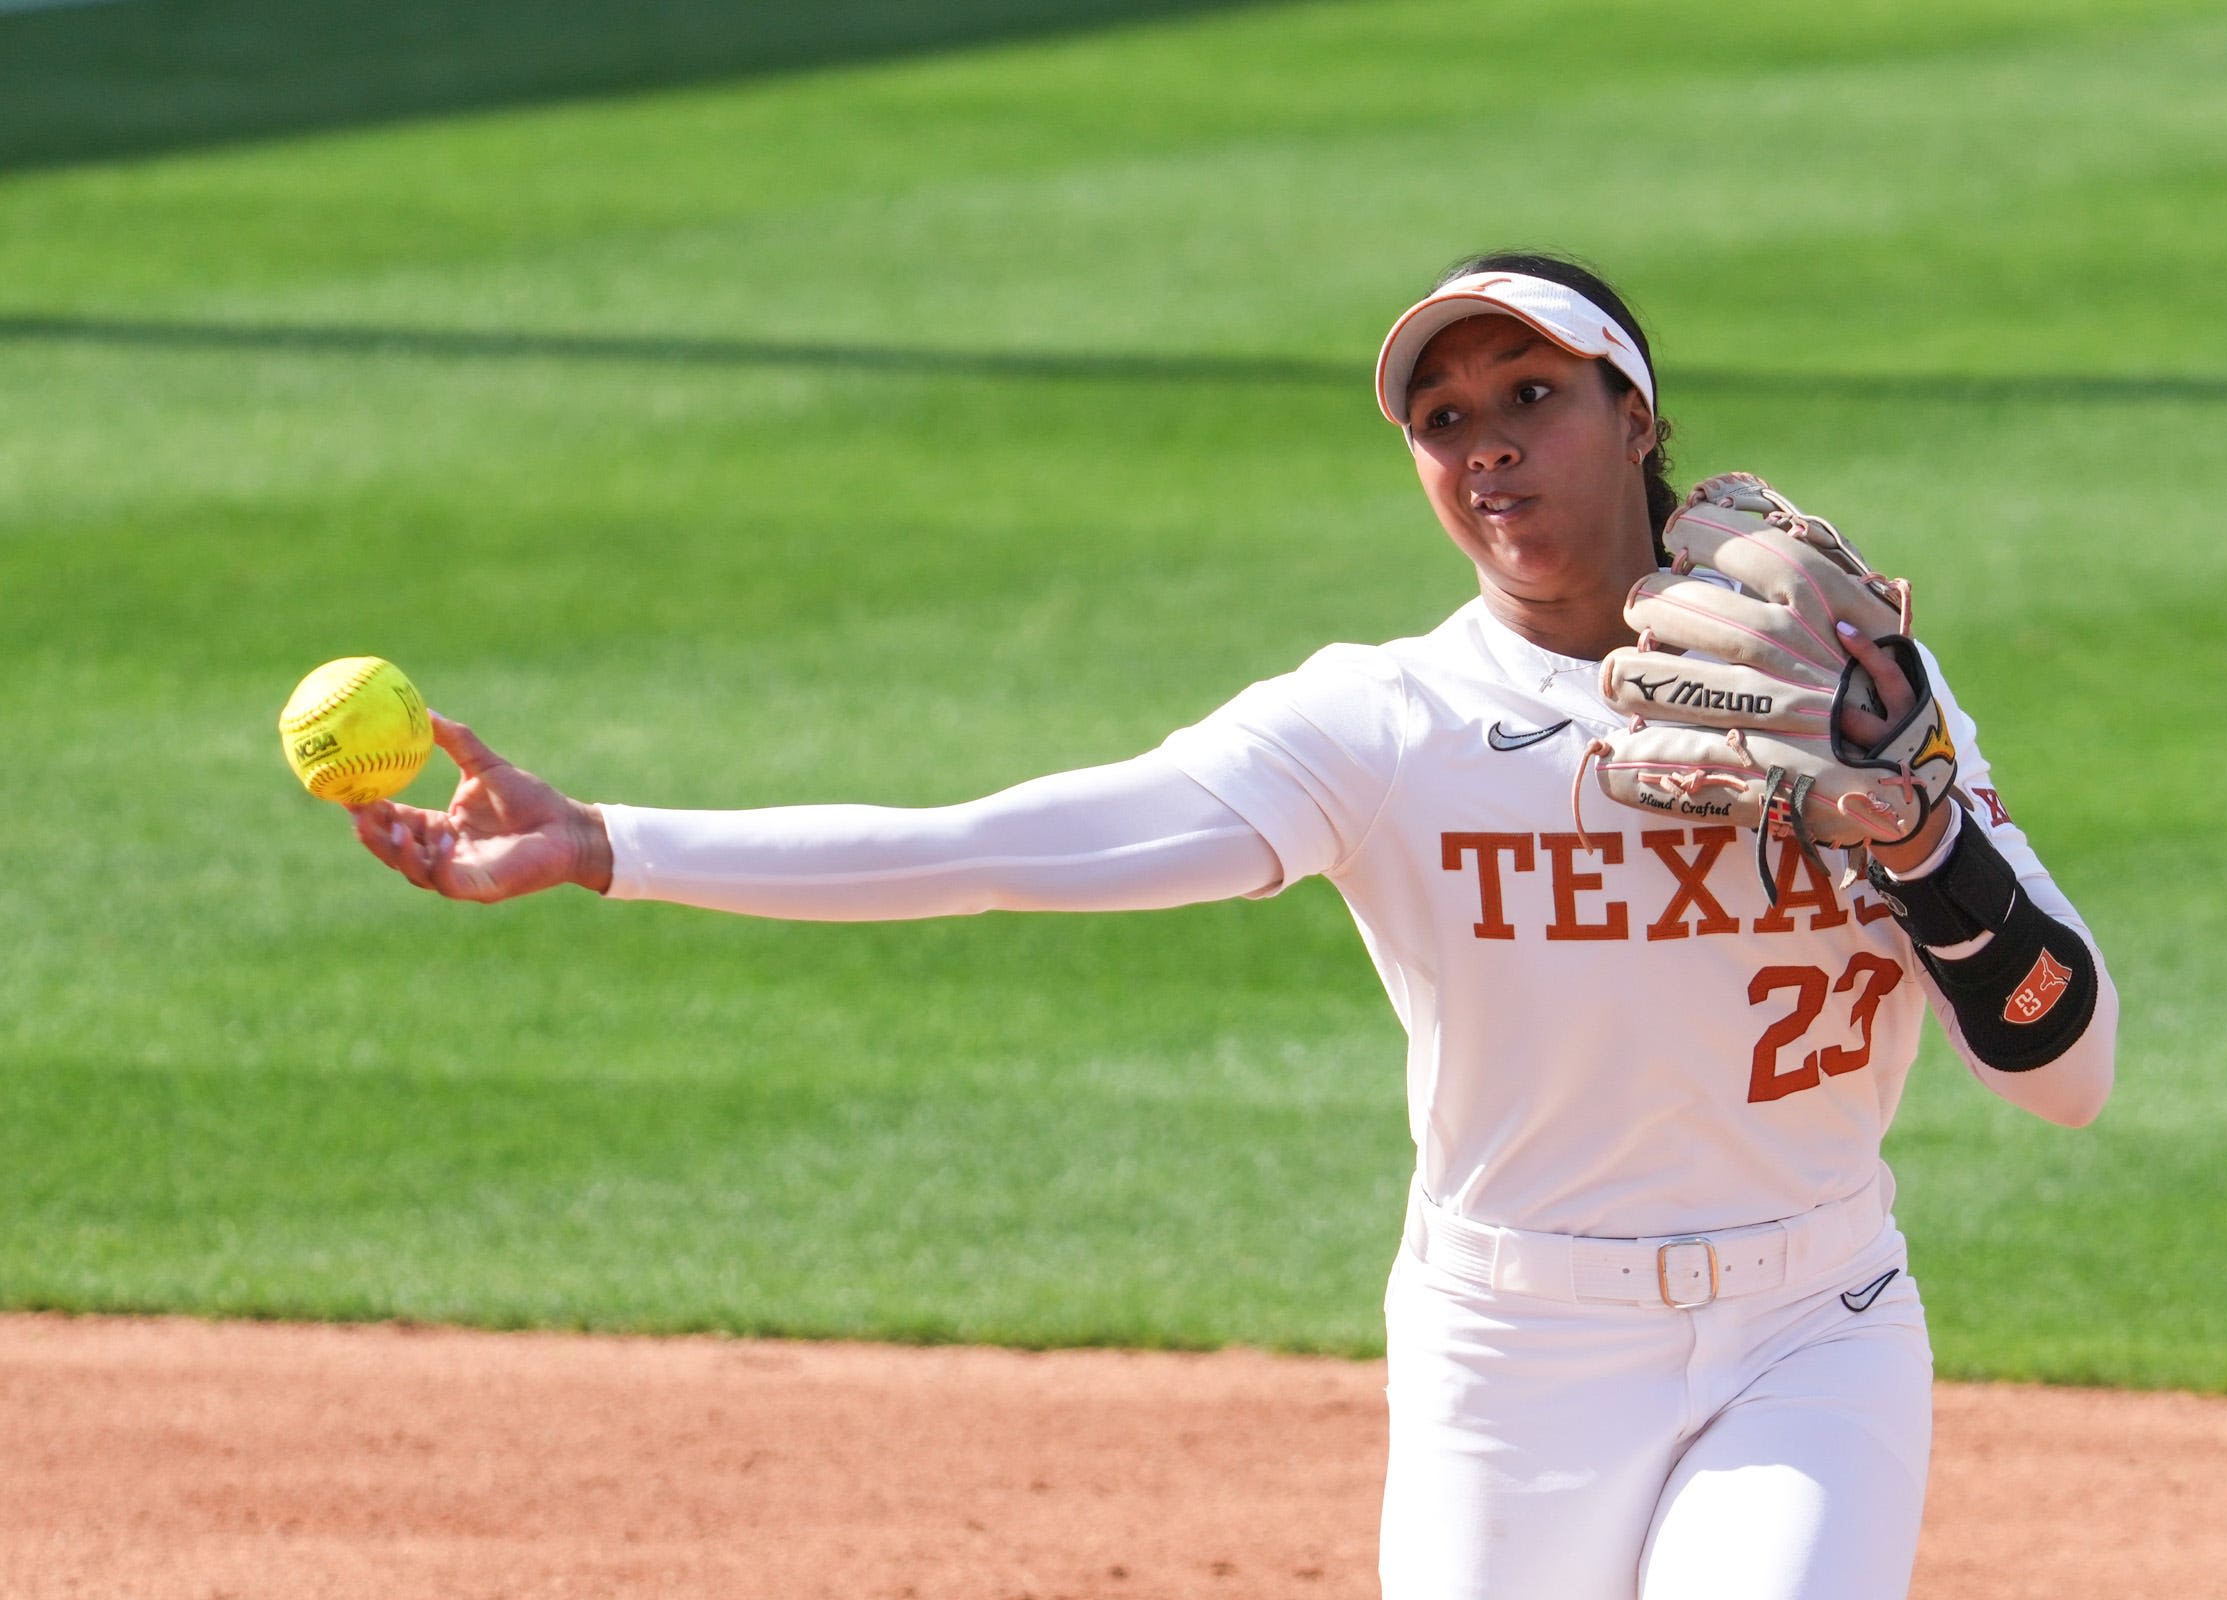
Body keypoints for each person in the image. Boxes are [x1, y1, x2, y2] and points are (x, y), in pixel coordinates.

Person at [349, 249, 2117, 1600]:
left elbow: (2066, 1067)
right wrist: (611, 843)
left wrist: (1915, 823)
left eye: (1534, 396)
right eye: (1445, 419)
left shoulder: (1847, 689)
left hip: (1818, 1320)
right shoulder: (1379, 727)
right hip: (1517, 1353)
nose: (1487, 447)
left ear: (1637, 416)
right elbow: (998, 846)